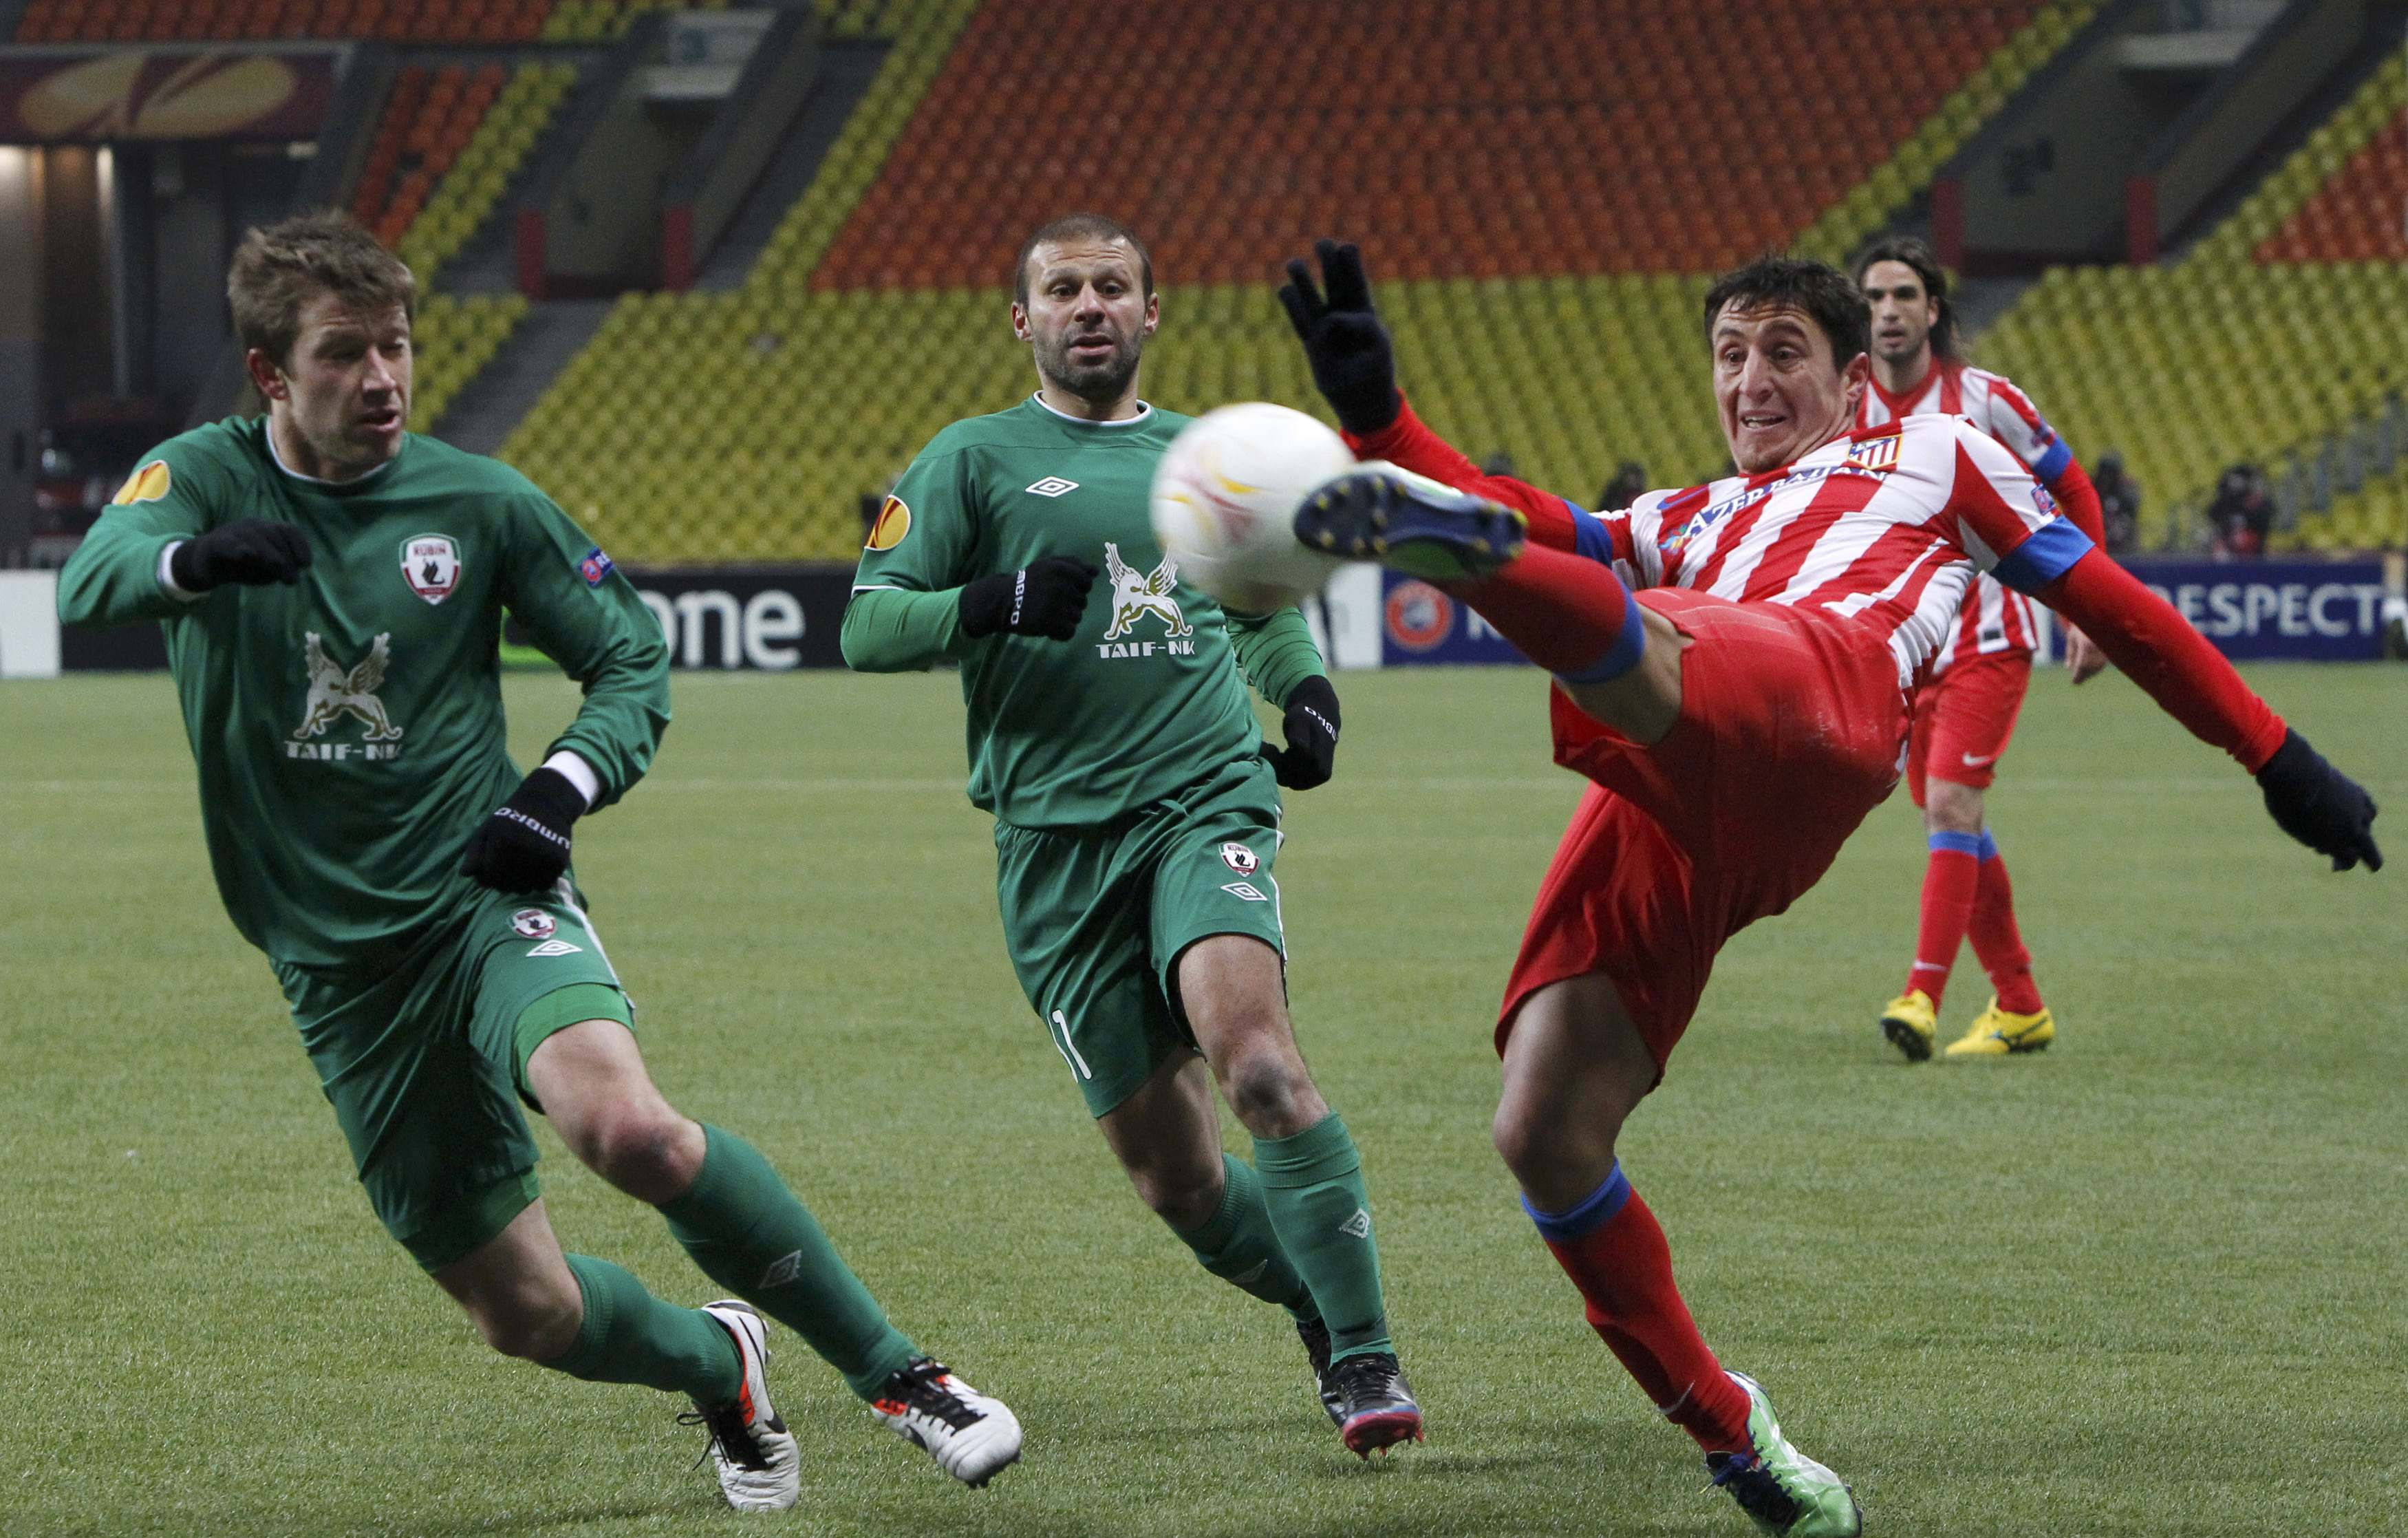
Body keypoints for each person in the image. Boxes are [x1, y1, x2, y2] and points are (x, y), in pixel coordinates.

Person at [1278, 240, 2380, 1536]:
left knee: (1656, 634)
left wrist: (2277, 756)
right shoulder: (1682, 517)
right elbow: (1537, 515)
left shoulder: (1941, 458)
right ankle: (1732, 1434)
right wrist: (1380, 419)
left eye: (1784, 354)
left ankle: (1455, 556)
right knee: (1541, 1129)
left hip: (1825, 698)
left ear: (1855, 380)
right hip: (1674, 779)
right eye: (1731, 356)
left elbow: (2117, 602)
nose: (1751, 381)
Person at [54, 212, 1020, 1515]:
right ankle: (715, 1359)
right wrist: (190, 561)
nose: (384, 379)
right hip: (338, 967)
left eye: (397, 346)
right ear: (271, 375)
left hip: (486, 899)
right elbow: (94, 578)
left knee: (626, 1129)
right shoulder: (203, 479)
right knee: (527, 1314)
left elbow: (628, 657)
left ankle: (904, 1378)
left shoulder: (479, 501)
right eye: (344, 354)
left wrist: (556, 794)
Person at [839, 213, 1421, 1457]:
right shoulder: (971, 461)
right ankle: (1320, 1307)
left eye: (1113, 287)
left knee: (1256, 1060)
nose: (1090, 305)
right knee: (1186, 1186)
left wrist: (1305, 692)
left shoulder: (1204, 460)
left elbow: (1259, 607)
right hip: (1053, 850)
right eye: (1063, 288)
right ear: (1024, 320)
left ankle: (1366, 1359)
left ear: (1151, 314)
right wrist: (985, 602)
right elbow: (866, 626)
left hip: (1202, 799)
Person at [1854, 236, 2105, 1060]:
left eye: (1902, 296)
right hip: (1902, 649)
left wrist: (2087, 610)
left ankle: (1920, 997)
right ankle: (2019, 1003)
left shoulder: (1985, 398)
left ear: (1932, 310)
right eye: (1873, 298)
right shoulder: (1846, 410)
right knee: (1947, 818)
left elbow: (2070, 487)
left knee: (1951, 808)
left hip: (1989, 638)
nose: (1887, 311)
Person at [2207, 463, 2275, 558]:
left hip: (2255, 556)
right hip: (2230, 553)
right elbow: (2213, 513)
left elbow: (2264, 523)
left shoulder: (2262, 506)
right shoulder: (2228, 504)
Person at [2094, 451, 2142, 554]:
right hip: (2100, 546)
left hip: (2125, 547)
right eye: (2105, 473)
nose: (2107, 478)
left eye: (2111, 473)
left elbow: (2133, 507)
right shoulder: (2094, 490)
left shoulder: (2127, 490)